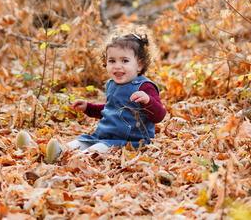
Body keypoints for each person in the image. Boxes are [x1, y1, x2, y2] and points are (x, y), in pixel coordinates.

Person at [45, 24, 166, 164]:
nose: (117, 66)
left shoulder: (144, 86)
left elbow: (159, 115)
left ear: (139, 64)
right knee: (80, 142)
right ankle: (56, 151)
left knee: (96, 149)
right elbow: (110, 110)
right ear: (106, 62)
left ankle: (77, 160)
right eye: (112, 61)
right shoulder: (111, 84)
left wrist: (148, 101)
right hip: (104, 135)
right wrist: (88, 107)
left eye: (124, 61)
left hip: (130, 141)